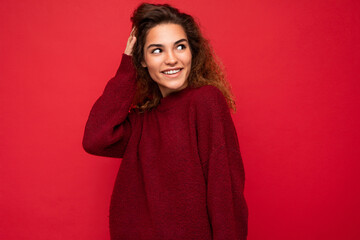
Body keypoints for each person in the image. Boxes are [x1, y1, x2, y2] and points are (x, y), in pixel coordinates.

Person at [82, 3, 248, 240]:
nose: (172, 59)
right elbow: (96, 139)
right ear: (142, 60)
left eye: (180, 47)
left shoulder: (206, 101)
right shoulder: (143, 118)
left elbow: (225, 194)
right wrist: (126, 66)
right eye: (157, 50)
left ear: (192, 52)